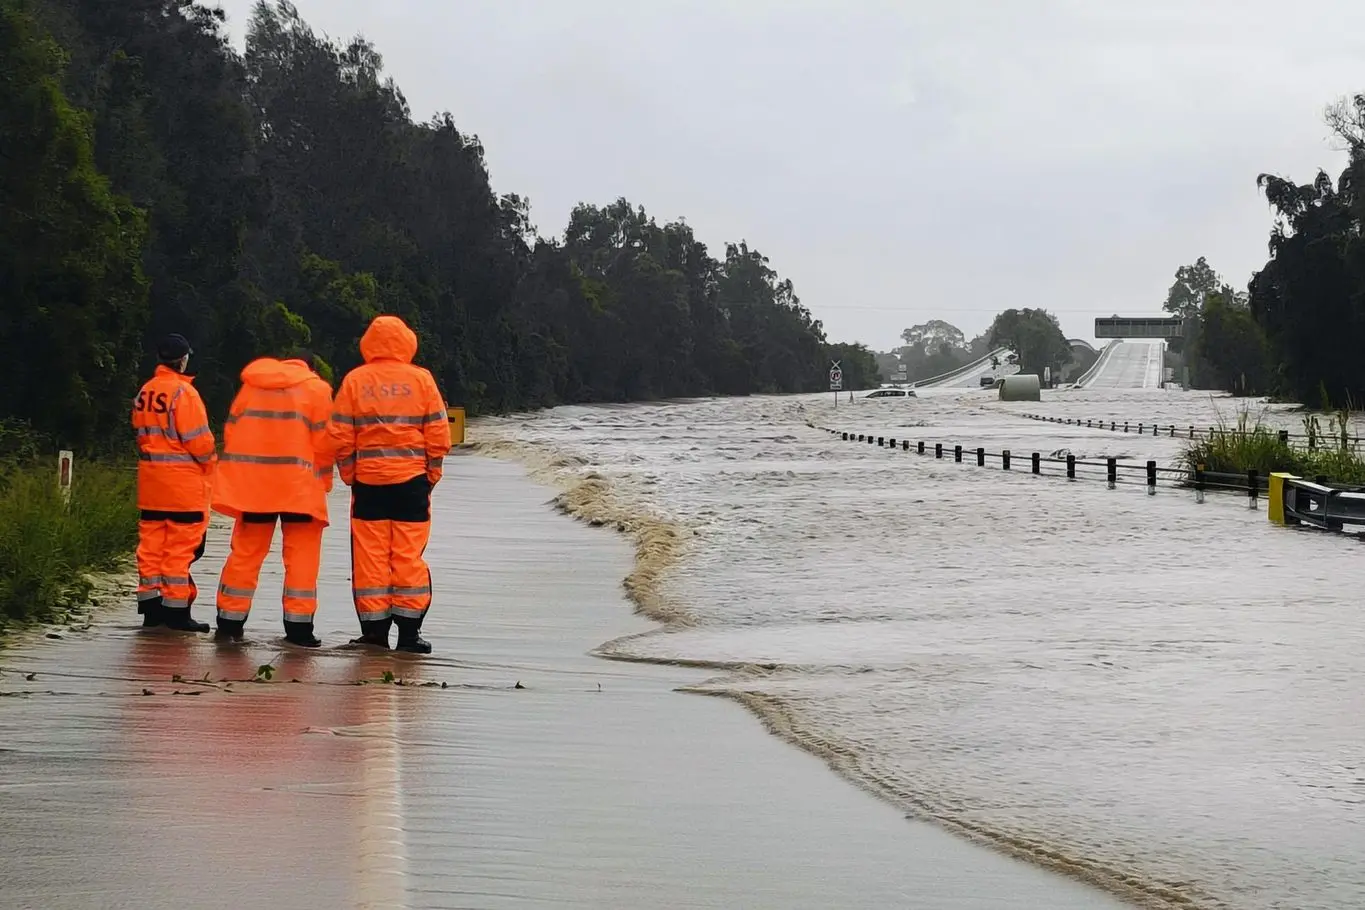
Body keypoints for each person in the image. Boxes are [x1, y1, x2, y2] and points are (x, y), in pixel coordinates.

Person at [329, 315, 451, 654]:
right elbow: (439, 433)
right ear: (407, 342)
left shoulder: (355, 380)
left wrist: (350, 474)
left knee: (370, 559)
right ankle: (410, 636)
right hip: (412, 483)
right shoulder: (422, 380)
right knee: (408, 556)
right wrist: (431, 476)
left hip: (368, 484)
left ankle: (375, 634)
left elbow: (340, 434)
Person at [211, 350, 335, 647]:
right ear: (311, 367)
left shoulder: (251, 386)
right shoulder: (318, 390)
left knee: (245, 554)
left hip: (255, 487)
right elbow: (326, 442)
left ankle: (229, 623)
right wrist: (325, 482)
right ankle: (299, 630)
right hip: (300, 487)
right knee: (301, 558)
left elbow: (231, 430)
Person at [132, 333, 216, 632]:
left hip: (151, 485)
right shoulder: (185, 394)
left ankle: (151, 610)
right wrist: (211, 464)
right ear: (183, 359)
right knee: (180, 550)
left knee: (151, 548)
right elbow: (200, 442)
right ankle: (178, 613)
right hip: (183, 488)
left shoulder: (146, 391)